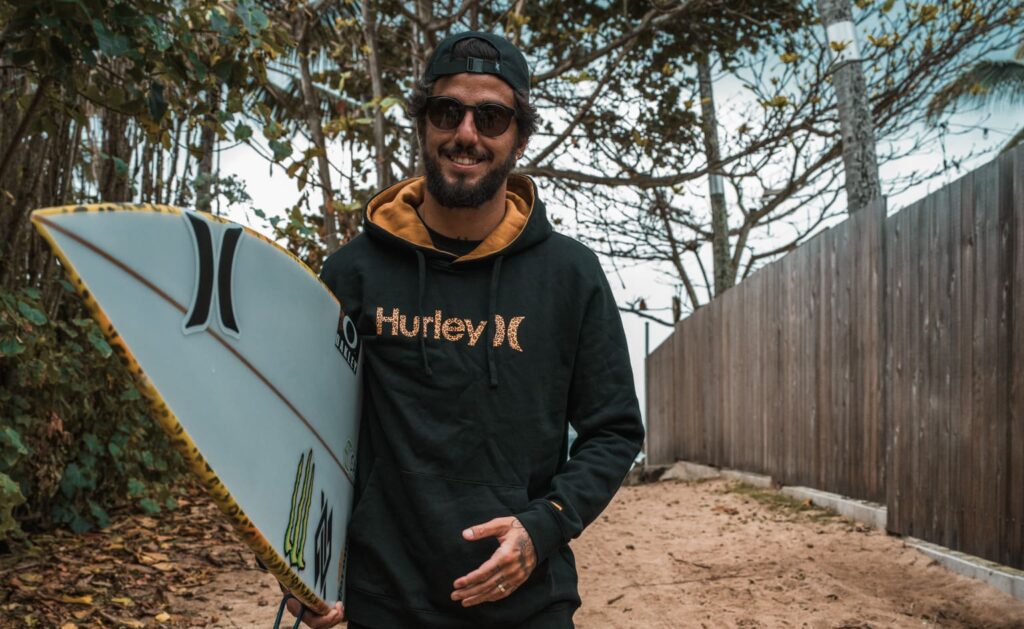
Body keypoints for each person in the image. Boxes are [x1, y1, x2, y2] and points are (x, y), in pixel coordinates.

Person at [290, 30, 644, 629]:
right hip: (385, 602)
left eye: (492, 116)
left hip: (529, 601)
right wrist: (300, 563)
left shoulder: (569, 275)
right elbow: (307, 434)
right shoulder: (354, 272)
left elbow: (613, 430)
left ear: (520, 135)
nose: (467, 134)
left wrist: (545, 525)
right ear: (424, 123)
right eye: (447, 111)